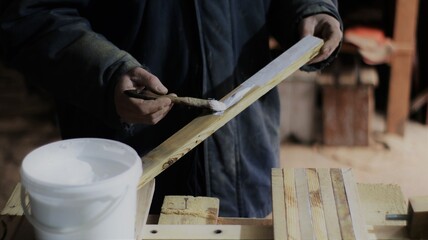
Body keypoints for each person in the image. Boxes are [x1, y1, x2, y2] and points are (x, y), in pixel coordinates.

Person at [0, 0, 342, 218]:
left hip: (241, 156)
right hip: (123, 168)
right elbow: (31, 13)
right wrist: (106, 73)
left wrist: (310, 7)